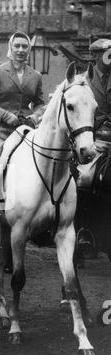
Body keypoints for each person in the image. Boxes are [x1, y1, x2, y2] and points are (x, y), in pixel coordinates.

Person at [0, 31, 45, 216]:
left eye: (24, 46)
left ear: (29, 50)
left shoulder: (35, 76)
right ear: (10, 48)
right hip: (0, 128)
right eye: (17, 46)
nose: (20, 50)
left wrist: (35, 117)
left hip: (26, 128)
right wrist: (5, 115)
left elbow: (40, 103)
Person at [76, 38, 111, 248]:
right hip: (94, 138)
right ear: (96, 56)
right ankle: (82, 229)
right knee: (85, 178)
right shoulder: (83, 80)